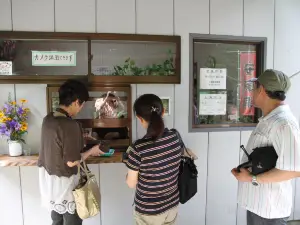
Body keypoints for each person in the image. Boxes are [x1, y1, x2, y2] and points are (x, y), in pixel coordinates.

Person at [231, 69, 300, 225]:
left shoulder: (284, 123)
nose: (253, 92)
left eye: (254, 88)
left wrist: (252, 178)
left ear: (261, 89)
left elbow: (295, 170)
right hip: (259, 205)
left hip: (270, 211)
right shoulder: (270, 119)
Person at [38, 79, 104, 225]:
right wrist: (92, 151)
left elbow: (57, 145)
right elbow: (72, 161)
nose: (80, 109)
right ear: (76, 102)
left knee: (57, 221)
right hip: (67, 186)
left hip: (50, 183)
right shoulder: (70, 124)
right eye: (82, 105)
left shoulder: (48, 119)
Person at [125, 94, 182, 225]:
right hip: (172, 204)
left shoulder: (138, 148)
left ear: (139, 118)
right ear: (163, 112)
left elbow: (131, 183)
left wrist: (128, 175)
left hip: (148, 211)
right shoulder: (175, 136)